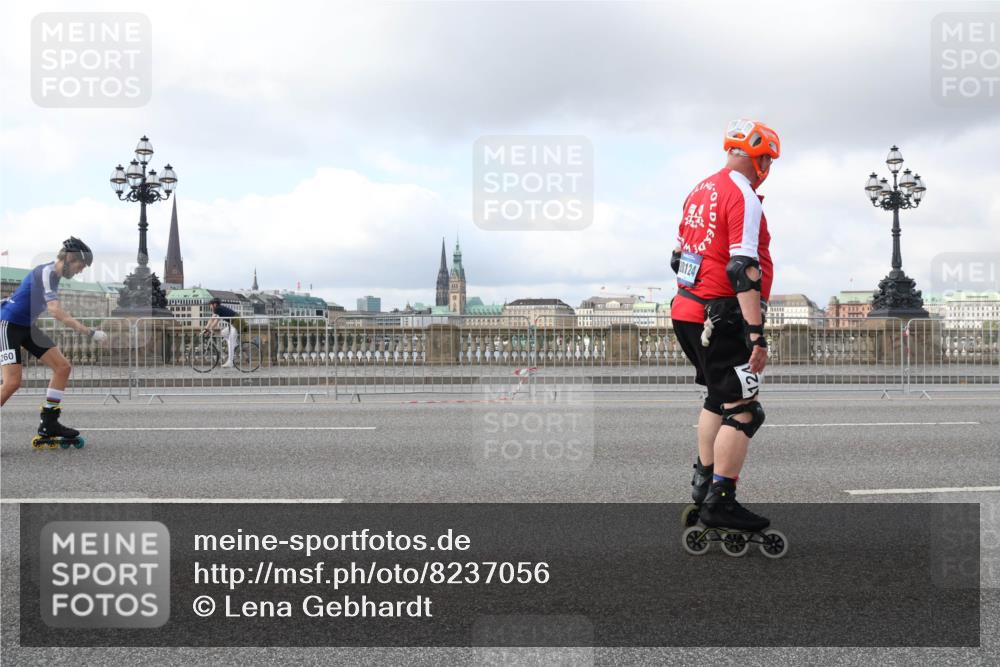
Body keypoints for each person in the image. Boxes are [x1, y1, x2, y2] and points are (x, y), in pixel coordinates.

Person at [670, 119, 779, 532]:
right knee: (746, 410)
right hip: (721, 316)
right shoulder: (743, 195)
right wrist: (756, 334)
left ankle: (703, 485)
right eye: (768, 159)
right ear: (761, 157)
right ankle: (721, 501)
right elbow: (742, 269)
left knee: (718, 398)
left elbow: (678, 256)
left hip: (687, 310)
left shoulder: (700, 189)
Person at [0, 237, 107, 447]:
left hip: (26, 326)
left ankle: (49, 423)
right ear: (69, 258)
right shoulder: (47, 272)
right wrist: (90, 332)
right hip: (9, 324)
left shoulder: (55, 277)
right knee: (12, 383)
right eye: (81, 265)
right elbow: (56, 311)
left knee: (63, 367)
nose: (81, 270)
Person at [203, 297, 240, 368]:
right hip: (232, 324)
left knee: (230, 344)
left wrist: (209, 329)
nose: (210, 306)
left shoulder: (217, 309)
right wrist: (206, 329)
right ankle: (235, 345)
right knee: (222, 333)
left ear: (214, 304)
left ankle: (230, 362)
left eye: (210, 305)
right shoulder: (219, 309)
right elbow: (211, 320)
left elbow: (215, 321)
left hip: (236, 323)